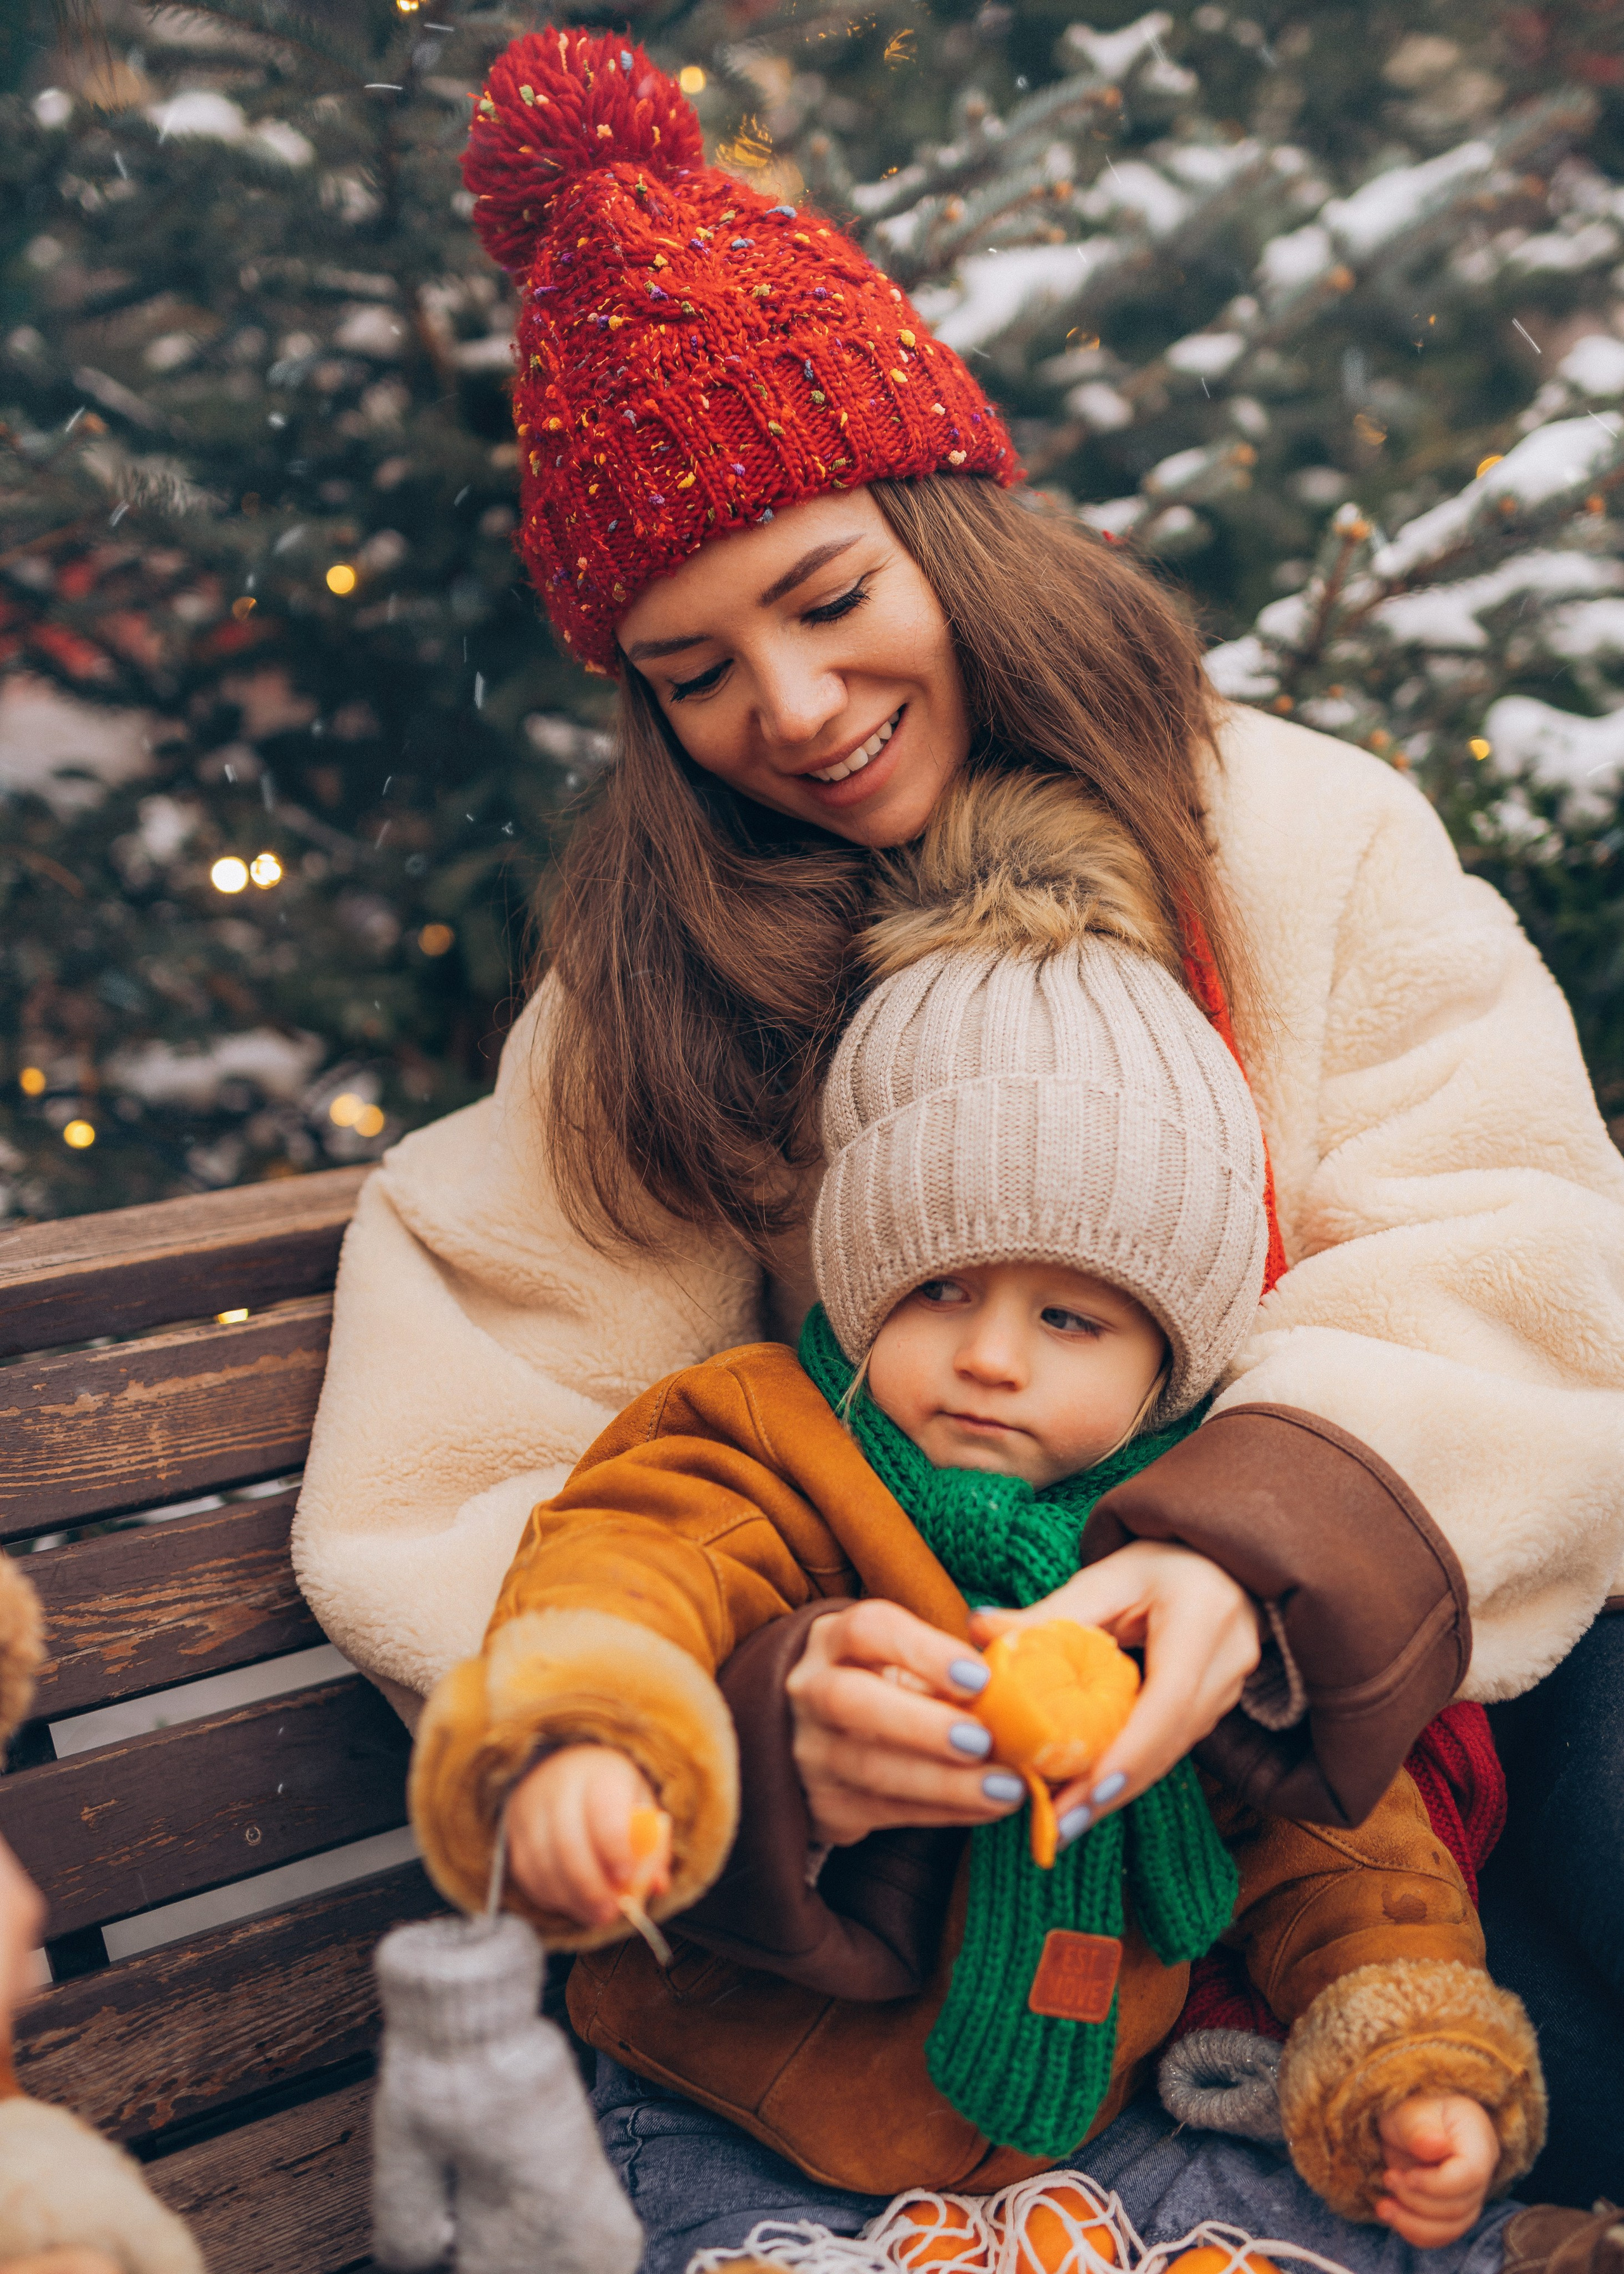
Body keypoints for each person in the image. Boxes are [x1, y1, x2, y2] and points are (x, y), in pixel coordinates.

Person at [291, 26, 1624, 2200]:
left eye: (830, 599)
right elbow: (486, 1449)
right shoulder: (655, 988)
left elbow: (1518, 1248)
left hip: (1406, 1752)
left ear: (948, 535)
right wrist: (762, 1713)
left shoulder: (1293, 835)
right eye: (693, 671)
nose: (794, 709)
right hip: (980, 1896)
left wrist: (1251, 1557)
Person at [409, 791, 1579, 2274]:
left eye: (1068, 1317)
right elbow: (628, 1567)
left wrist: (1408, 2059)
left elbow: (1331, 1843)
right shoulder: (766, 1439)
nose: (988, 1355)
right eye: (939, 1289)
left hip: (1099, 2123)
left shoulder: (1182, 1549)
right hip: (732, 2107)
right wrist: (593, 1745)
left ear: (1166, 1358)